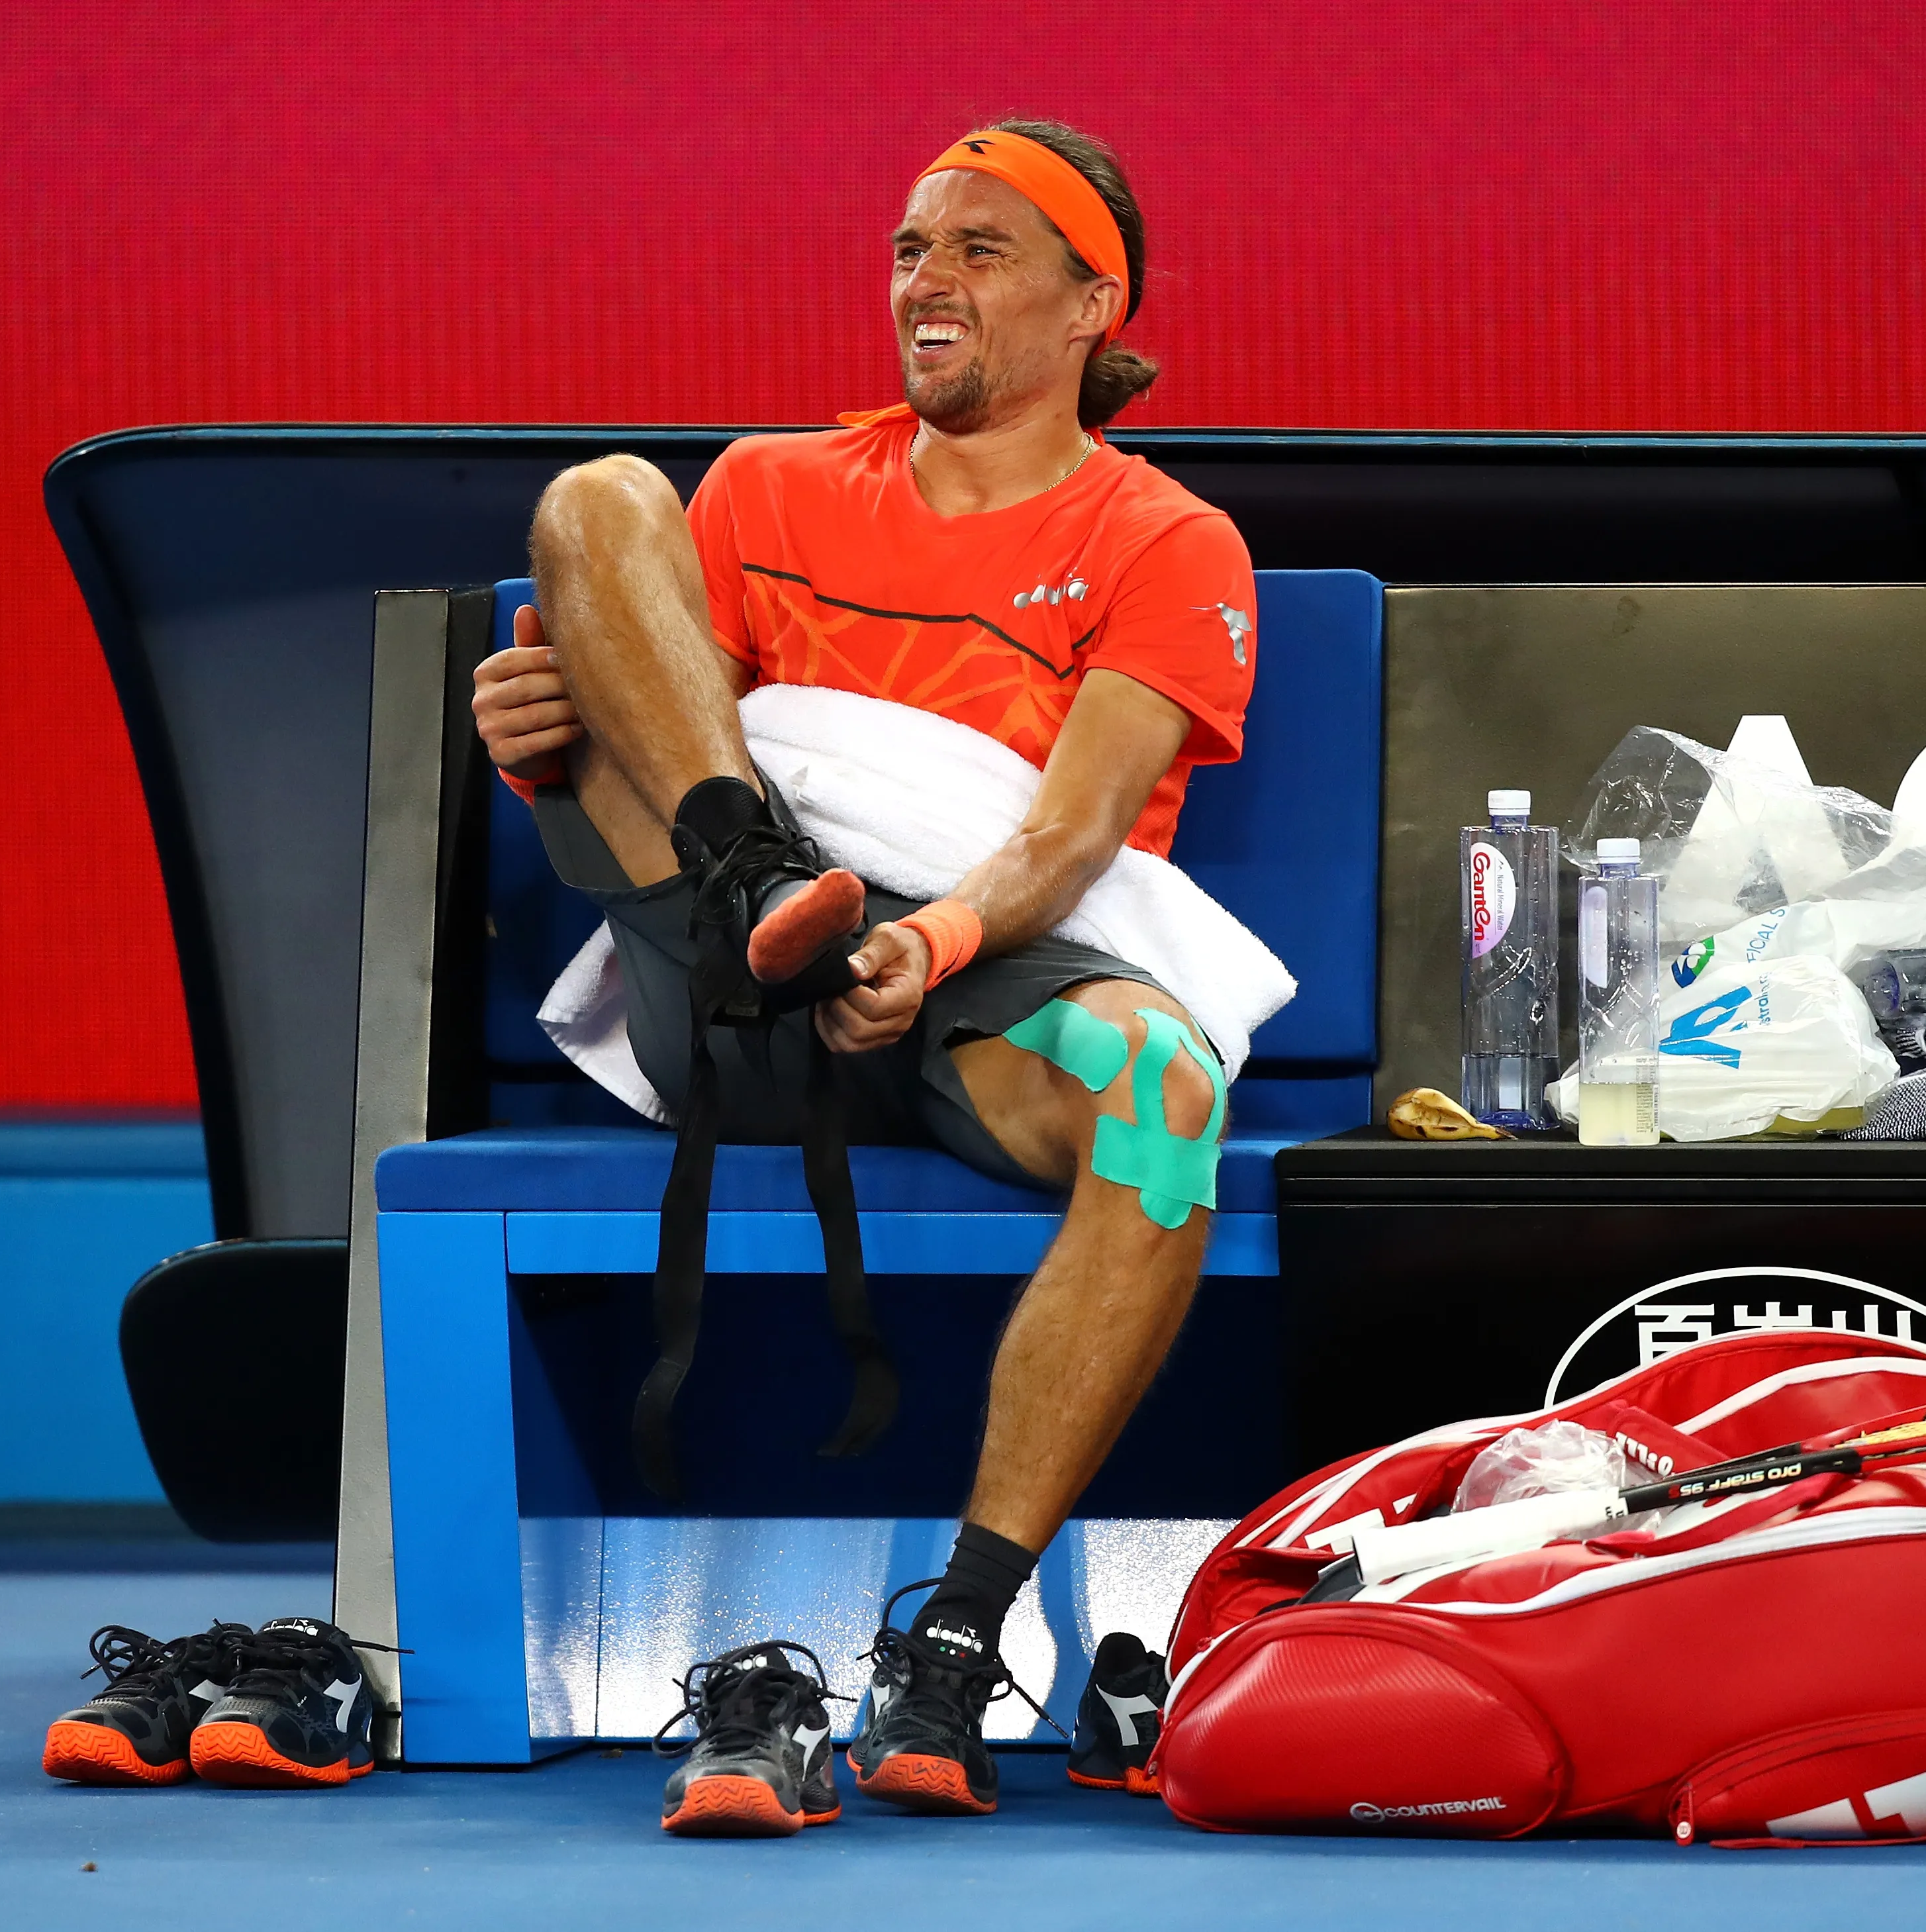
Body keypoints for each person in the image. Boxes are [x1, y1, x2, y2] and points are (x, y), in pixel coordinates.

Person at [469, 119, 1257, 1827]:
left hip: (975, 971)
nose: (928, 281)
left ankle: (953, 1649)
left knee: (1169, 1097)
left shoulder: (1169, 539)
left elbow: (1073, 837)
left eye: (980, 248)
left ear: (1086, 306)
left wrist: (926, 941)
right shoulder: (764, 486)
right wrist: (544, 752)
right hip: (734, 947)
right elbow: (641, 777)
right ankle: (776, 881)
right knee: (596, 503)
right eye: (912, 247)